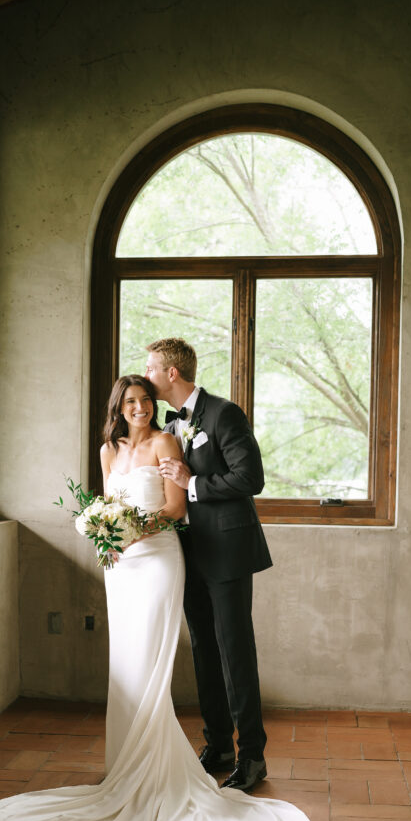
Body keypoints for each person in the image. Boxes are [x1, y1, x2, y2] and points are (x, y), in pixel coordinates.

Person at [0, 374, 315, 821]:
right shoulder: (108, 449)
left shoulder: (171, 439)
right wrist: (104, 531)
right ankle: (133, 762)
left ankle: (187, 762)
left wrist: (134, 528)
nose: (142, 408)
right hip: (120, 567)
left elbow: (174, 508)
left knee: (155, 662)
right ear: (118, 409)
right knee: (126, 663)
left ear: (157, 397)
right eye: (132, 402)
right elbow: (104, 501)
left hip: (159, 558)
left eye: (147, 399)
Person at [146, 338, 272, 794]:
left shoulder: (223, 414)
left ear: (172, 373)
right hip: (188, 552)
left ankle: (252, 756)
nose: (147, 374)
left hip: (228, 551)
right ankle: (217, 744)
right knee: (203, 647)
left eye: (151, 368)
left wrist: (192, 482)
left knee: (234, 650)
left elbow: (250, 477)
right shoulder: (169, 422)